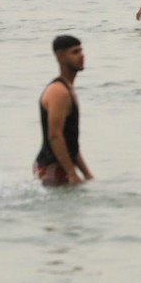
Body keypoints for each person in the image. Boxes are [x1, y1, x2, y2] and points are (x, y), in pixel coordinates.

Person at [34, 35, 94, 186]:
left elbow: (70, 142)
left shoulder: (68, 89)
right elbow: (55, 136)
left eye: (81, 51)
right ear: (60, 57)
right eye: (75, 52)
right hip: (51, 166)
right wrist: (72, 173)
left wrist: (87, 174)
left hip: (62, 166)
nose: (81, 56)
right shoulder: (59, 91)